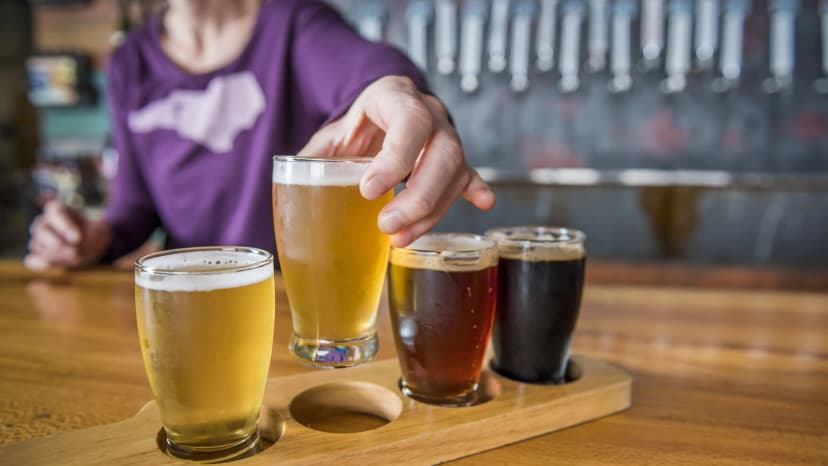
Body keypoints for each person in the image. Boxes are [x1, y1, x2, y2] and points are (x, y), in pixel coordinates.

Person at [24, 0, 494, 271]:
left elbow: (368, 72)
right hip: (189, 302)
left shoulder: (292, 23)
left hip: (291, 304)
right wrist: (93, 238)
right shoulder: (131, 61)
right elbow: (134, 210)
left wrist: (401, 93)